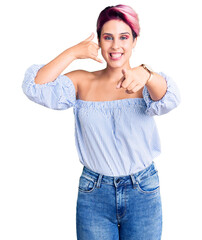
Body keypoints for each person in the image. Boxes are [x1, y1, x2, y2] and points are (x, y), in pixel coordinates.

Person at [22, 4, 181, 240]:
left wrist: (146, 73)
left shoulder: (144, 82)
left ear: (135, 40)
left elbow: (171, 99)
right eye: (108, 37)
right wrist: (73, 52)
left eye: (124, 37)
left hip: (142, 190)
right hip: (94, 192)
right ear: (99, 40)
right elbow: (35, 87)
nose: (116, 46)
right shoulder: (82, 81)